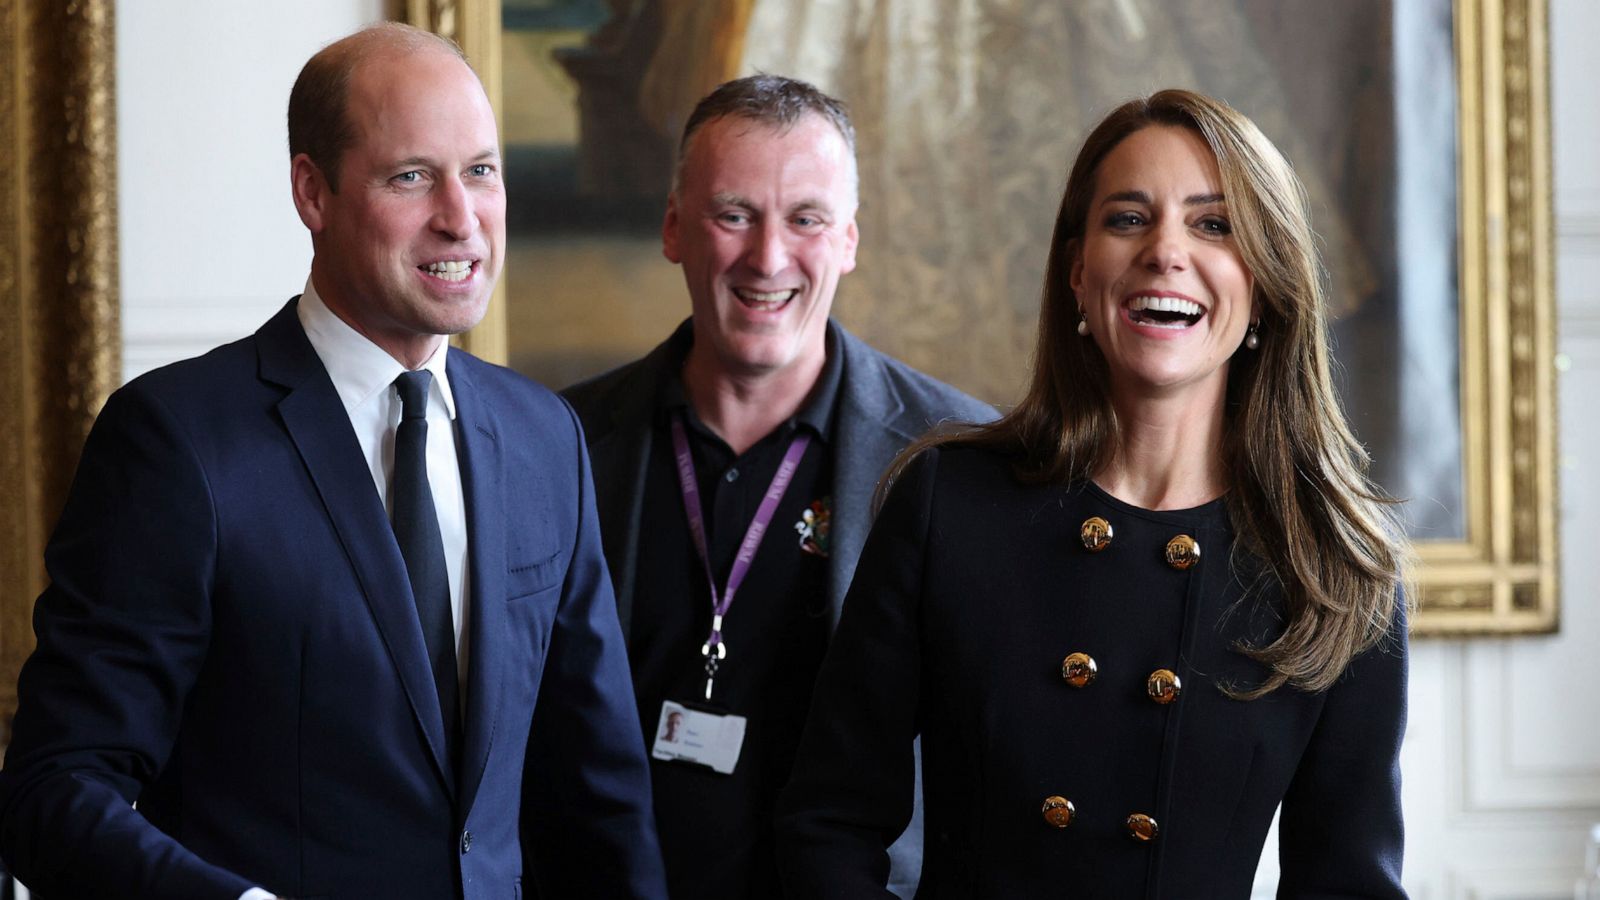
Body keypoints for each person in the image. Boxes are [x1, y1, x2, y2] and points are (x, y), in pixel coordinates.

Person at [0, 24, 667, 900]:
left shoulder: (545, 436)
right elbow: (55, 790)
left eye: (481, 171)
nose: (460, 217)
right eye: (411, 176)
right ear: (312, 192)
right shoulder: (174, 441)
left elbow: (599, 803)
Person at [775, 88, 1412, 896]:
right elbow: (828, 826)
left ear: (1265, 284)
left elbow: (1348, 884)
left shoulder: (1335, 567)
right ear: (1078, 273)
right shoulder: (948, 505)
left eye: (1213, 225)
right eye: (1127, 219)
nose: (1165, 252)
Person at [562, 75, 995, 898]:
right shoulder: (559, 444)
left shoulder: (958, 462)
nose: (768, 258)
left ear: (848, 241)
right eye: (734, 215)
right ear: (673, 228)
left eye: (805, 219)